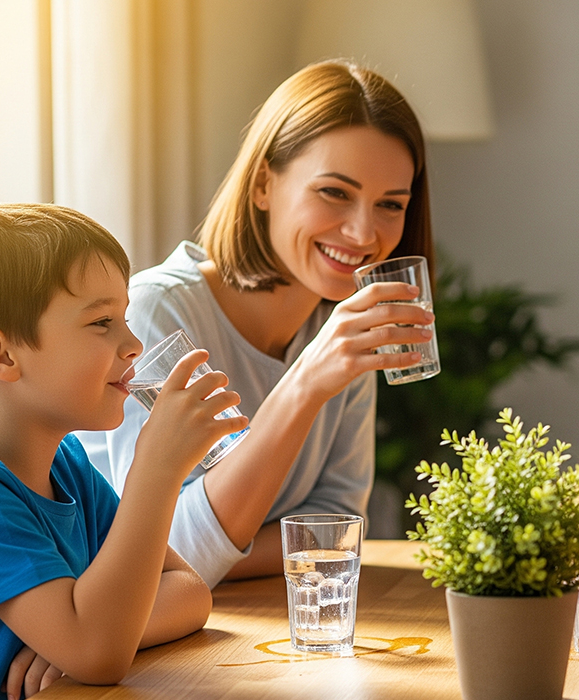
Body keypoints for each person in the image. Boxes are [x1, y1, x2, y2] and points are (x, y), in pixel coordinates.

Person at [76, 60, 435, 587]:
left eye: (390, 204)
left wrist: (216, 549)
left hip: (259, 619)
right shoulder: (157, 312)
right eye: (335, 192)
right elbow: (163, 554)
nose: (364, 232)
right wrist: (306, 383)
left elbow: (341, 527)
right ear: (264, 183)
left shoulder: (341, 327)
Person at [0, 203, 243, 698]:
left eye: (126, 318)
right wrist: (156, 471)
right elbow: (98, 654)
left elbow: (190, 592)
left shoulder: (65, 464)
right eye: (101, 323)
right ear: (1, 355)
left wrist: (81, 640)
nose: (133, 344)